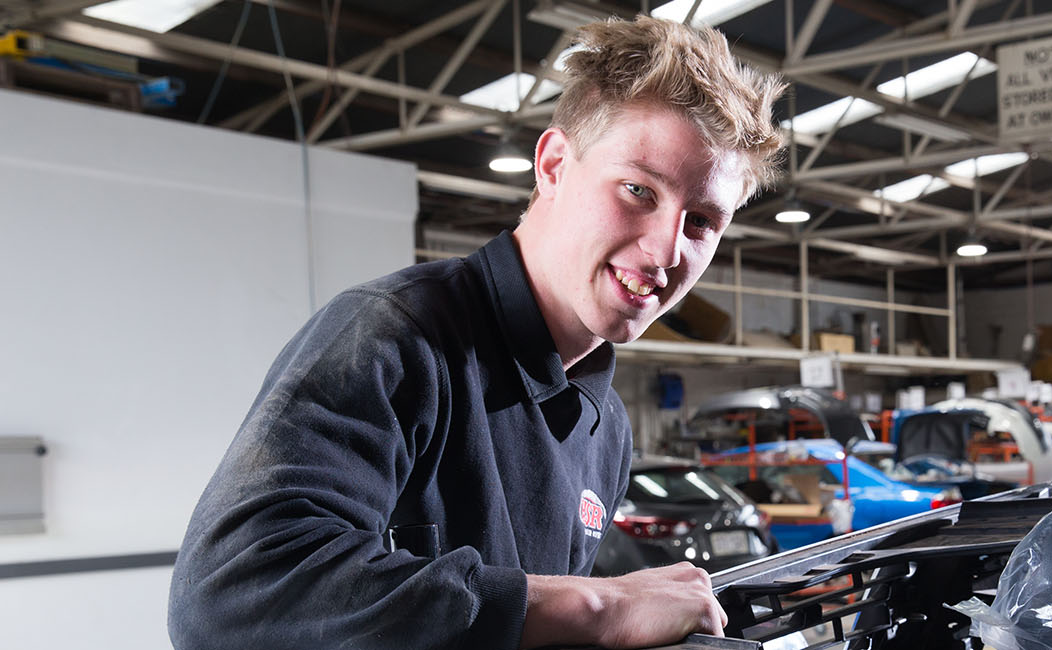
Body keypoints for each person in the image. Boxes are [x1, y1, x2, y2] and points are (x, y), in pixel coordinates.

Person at [168, 15, 785, 649]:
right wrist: (596, 605)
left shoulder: (607, 428)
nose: (664, 250)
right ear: (552, 166)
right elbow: (230, 598)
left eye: (703, 222)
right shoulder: (393, 339)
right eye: (637, 190)